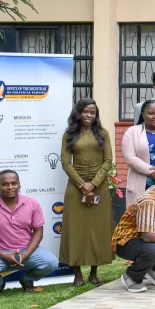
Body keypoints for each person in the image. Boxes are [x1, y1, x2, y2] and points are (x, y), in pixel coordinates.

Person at [0, 170, 60, 296]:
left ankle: (27, 279)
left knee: (51, 263)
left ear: (19, 184)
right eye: (5, 184)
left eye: (13, 183)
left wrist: (26, 254)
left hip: (26, 251)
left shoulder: (32, 203)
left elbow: (38, 232)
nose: (10, 187)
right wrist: (3, 255)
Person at [58, 99, 113, 286]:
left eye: (93, 112)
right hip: (75, 187)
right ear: (79, 113)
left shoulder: (103, 133)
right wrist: (82, 185)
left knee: (97, 229)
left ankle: (94, 272)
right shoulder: (69, 134)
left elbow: (108, 161)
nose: (89, 115)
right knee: (76, 229)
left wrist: (94, 184)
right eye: (86, 112)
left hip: (99, 187)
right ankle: (77, 273)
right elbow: (66, 163)